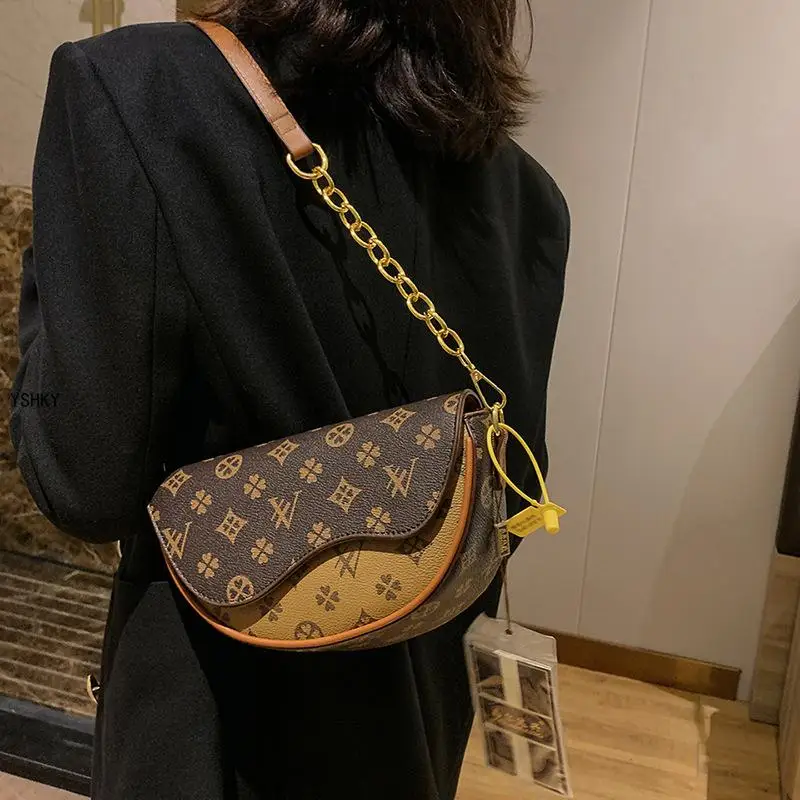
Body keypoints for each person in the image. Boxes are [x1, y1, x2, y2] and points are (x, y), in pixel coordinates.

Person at [11, 2, 569, 798]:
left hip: (212, 735)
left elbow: (80, 484)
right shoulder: (529, 200)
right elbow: (513, 488)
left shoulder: (136, 88)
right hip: (413, 729)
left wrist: (55, 276)